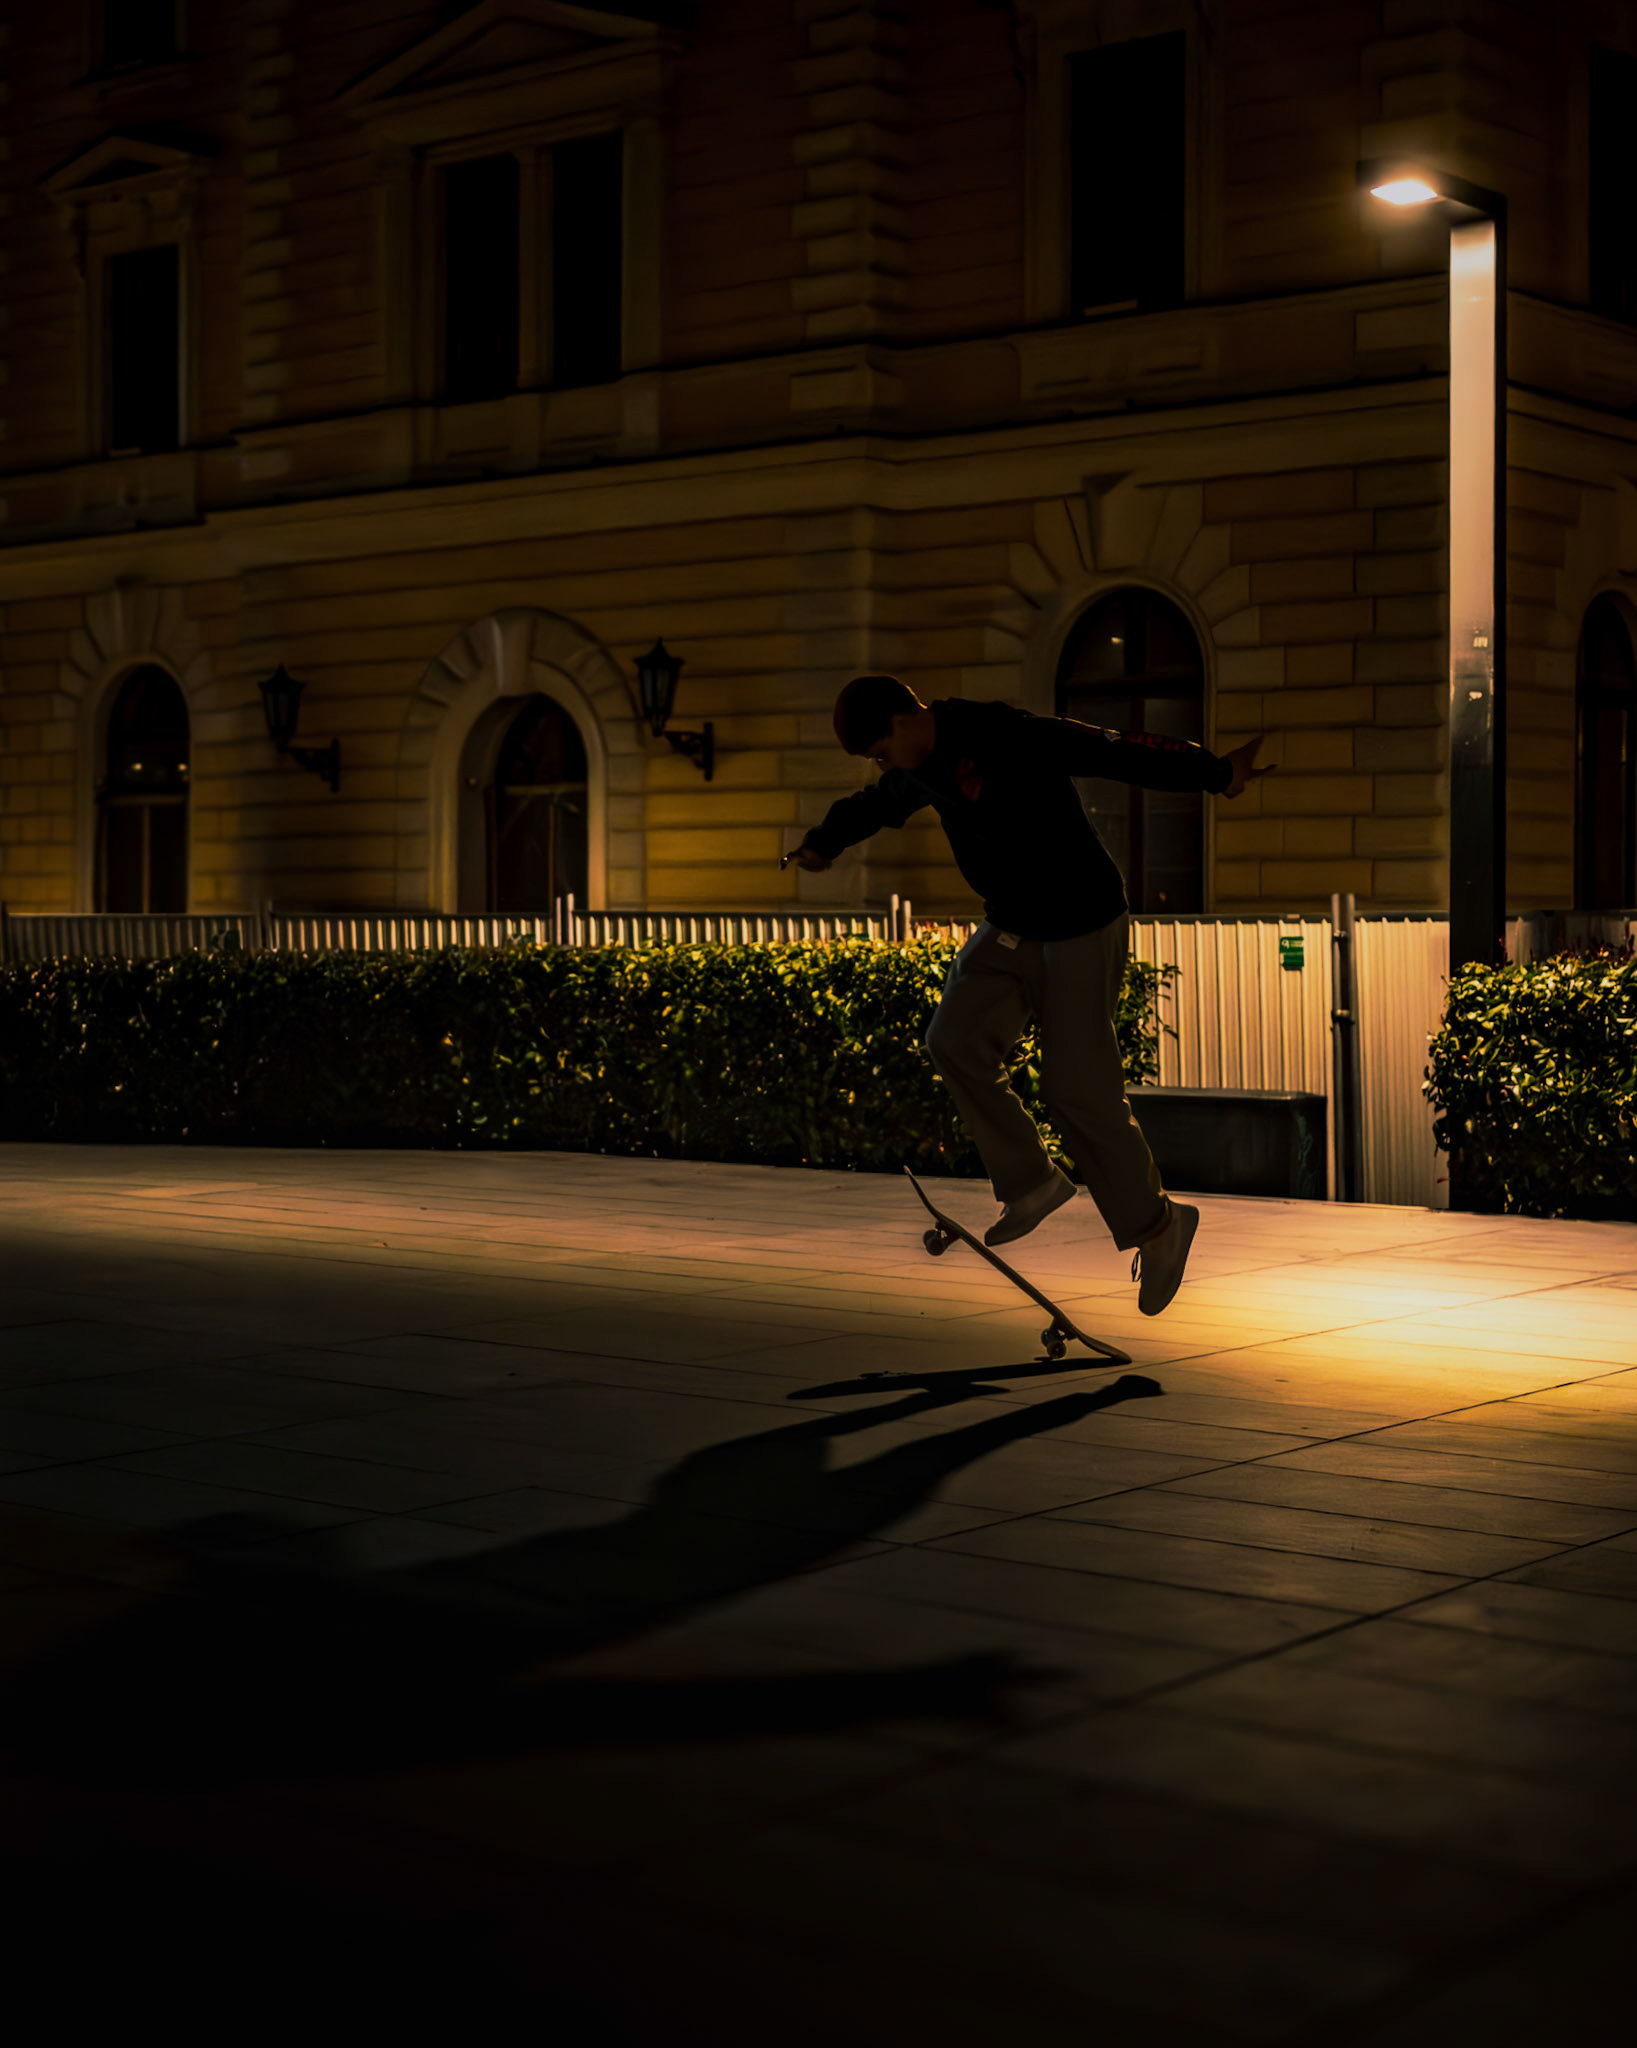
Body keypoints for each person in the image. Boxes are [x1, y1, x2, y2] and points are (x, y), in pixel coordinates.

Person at [782, 675, 1271, 1315]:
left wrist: (1216, 772)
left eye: (879, 751)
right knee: (952, 1039)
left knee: (1078, 1092)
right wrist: (823, 842)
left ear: (902, 723)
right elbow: (876, 802)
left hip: (1081, 923)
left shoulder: (1003, 733)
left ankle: (1159, 1226)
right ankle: (1032, 1182)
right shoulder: (916, 770)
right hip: (1011, 925)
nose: (882, 765)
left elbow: (1113, 748)